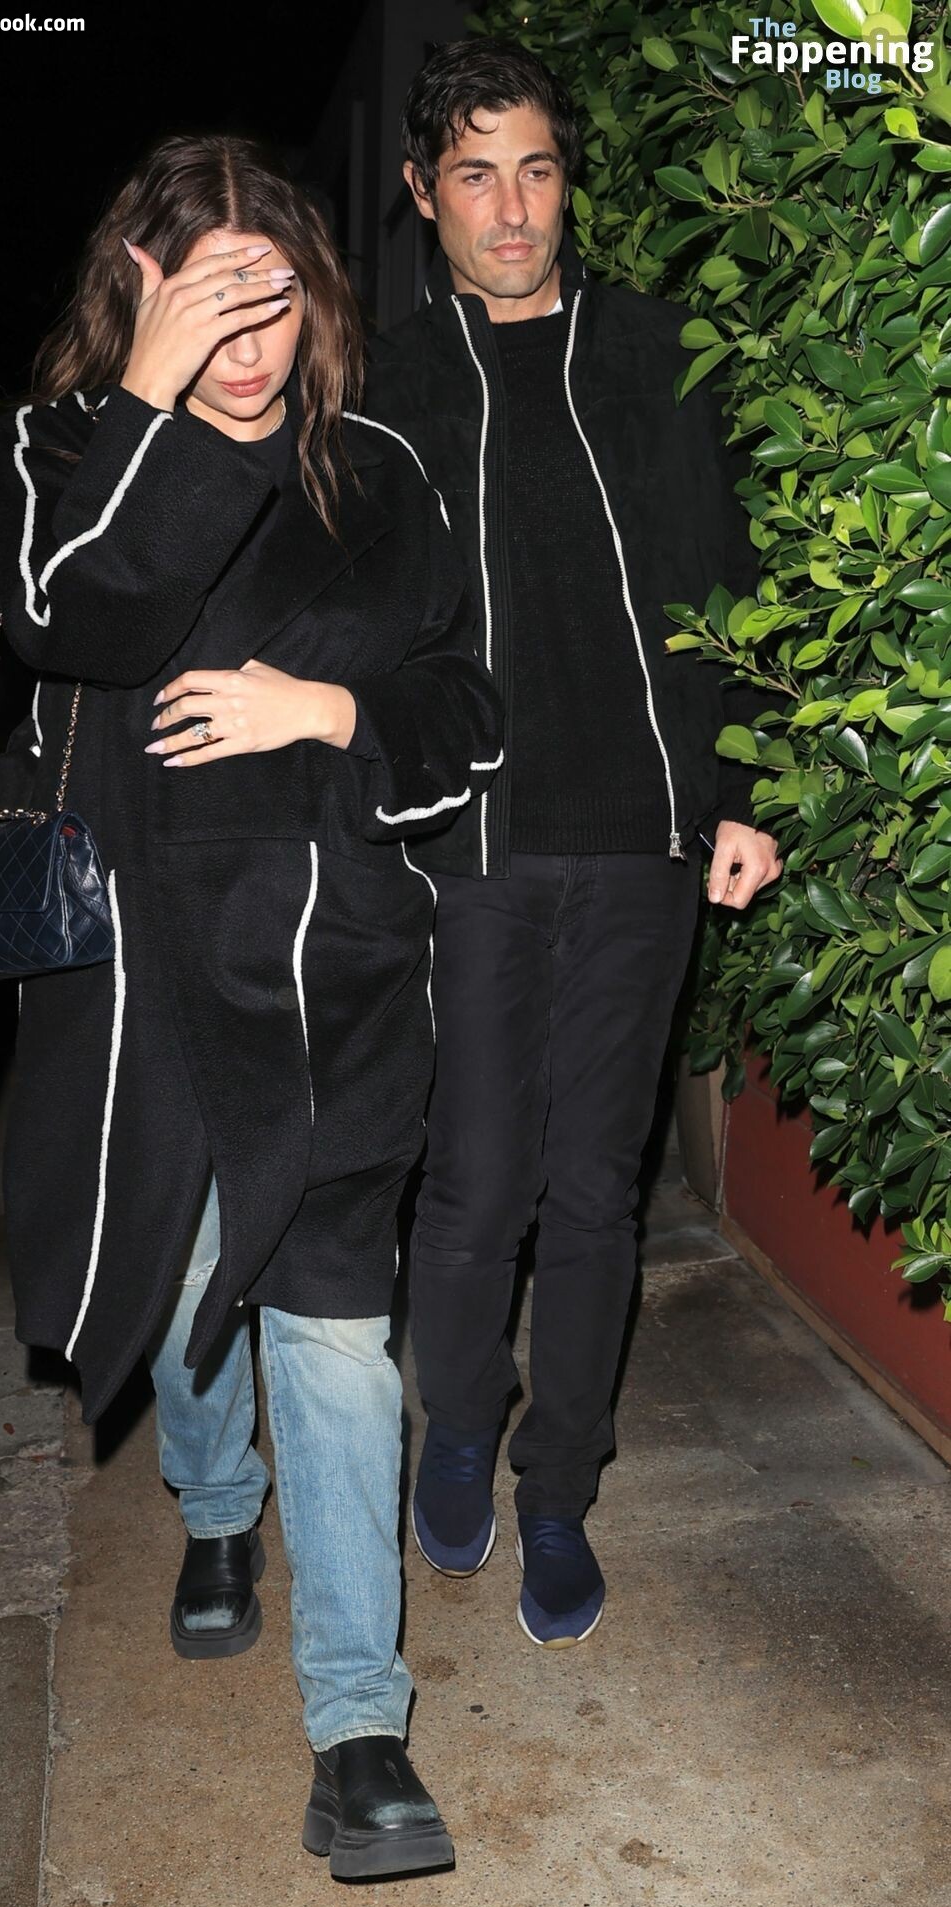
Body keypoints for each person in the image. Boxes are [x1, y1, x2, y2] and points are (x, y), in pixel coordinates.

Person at [0, 132, 502, 1880]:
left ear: (320, 295)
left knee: (336, 1333)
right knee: (192, 1276)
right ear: (136, 301)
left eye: (270, 294)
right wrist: (150, 393)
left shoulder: (378, 475)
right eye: (206, 300)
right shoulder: (68, 452)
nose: (247, 336)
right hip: (143, 978)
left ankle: (360, 1729)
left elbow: (467, 705)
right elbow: (73, 613)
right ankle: (215, 1509)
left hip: (332, 969)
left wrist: (326, 713)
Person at [363, 41, 782, 1650]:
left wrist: (743, 792)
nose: (512, 208)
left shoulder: (659, 355)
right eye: (476, 175)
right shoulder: (393, 384)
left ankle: (559, 1489)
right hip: (475, 844)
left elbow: (731, 580)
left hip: (643, 845)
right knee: (475, 1180)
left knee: (598, 1191)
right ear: (426, 194)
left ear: (567, 183)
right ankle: (460, 1426)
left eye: (536, 169)